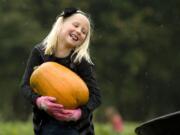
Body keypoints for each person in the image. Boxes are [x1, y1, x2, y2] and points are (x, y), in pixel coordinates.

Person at [21, 7, 101, 135]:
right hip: (46, 123)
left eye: (84, 32)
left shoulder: (81, 60)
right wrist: (39, 101)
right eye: (75, 25)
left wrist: (78, 113)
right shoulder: (39, 53)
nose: (79, 31)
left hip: (78, 128)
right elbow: (25, 86)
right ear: (61, 23)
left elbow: (96, 97)